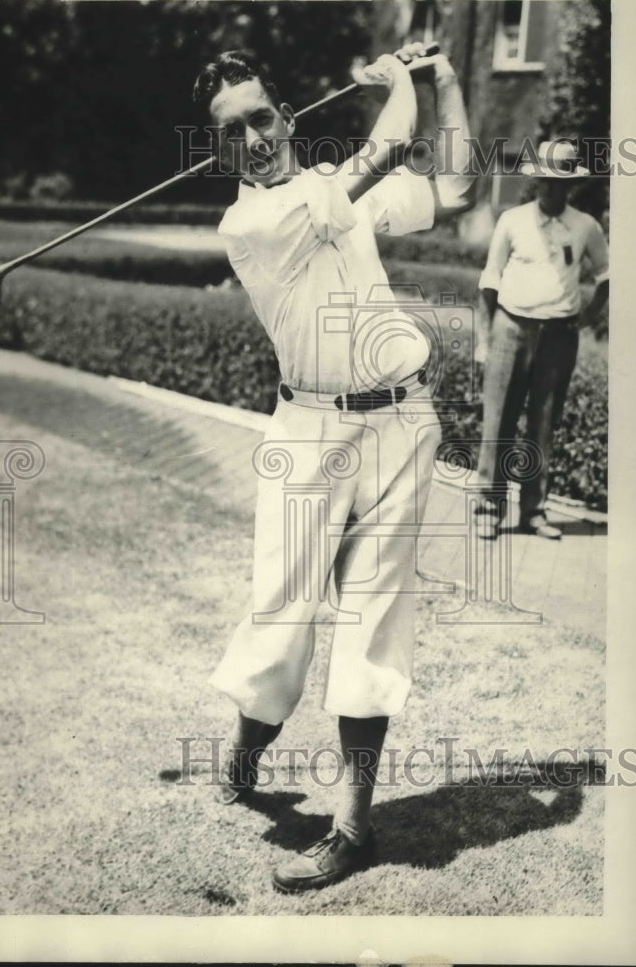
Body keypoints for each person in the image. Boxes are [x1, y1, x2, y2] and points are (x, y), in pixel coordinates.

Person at [192, 44, 474, 892]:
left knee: (372, 619)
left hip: (400, 423)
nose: (252, 139)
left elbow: (455, 188)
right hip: (307, 432)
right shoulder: (247, 224)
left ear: (287, 118)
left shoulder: (329, 194)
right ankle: (246, 751)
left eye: (261, 118)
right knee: (282, 617)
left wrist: (443, 83)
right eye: (231, 131)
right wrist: (397, 83)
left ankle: (352, 828)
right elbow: (385, 148)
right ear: (217, 150)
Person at [475, 140, 609, 540]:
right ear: (536, 181)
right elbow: (489, 280)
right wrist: (485, 337)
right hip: (510, 328)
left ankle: (533, 511)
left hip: (558, 336)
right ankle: (488, 507)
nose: (552, 188)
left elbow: (606, 277)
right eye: (546, 181)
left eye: (560, 182)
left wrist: (587, 317)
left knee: (544, 423)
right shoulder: (512, 220)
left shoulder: (586, 226)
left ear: (570, 185)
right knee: (498, 421)